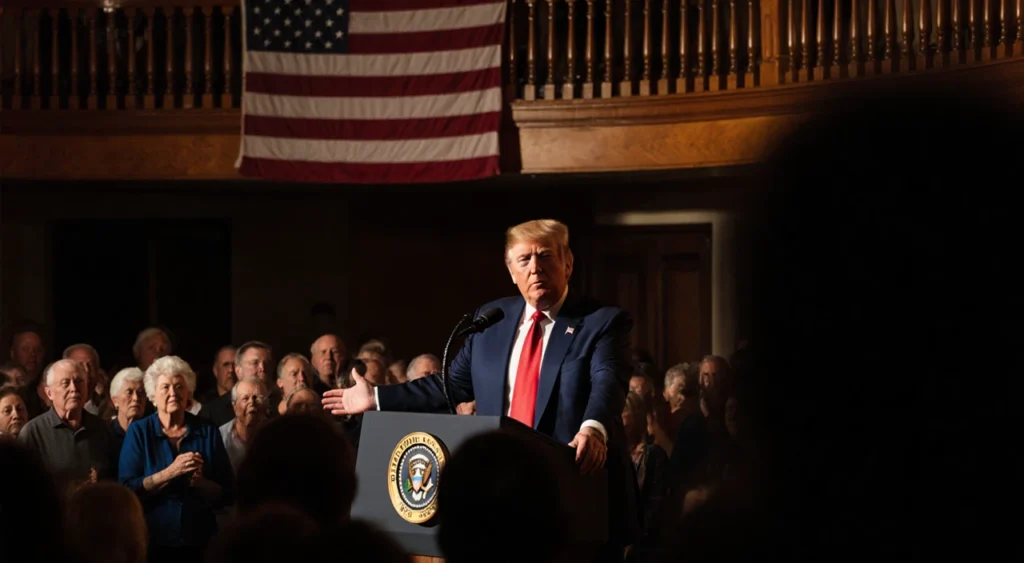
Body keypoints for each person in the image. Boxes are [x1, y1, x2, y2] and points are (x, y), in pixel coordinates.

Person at [324, 218, 638, 558]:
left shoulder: (602, 322)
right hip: (502, 498)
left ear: (568, 263)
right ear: (510, 269)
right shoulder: (493, 319)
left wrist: (594, 428)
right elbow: (452, 385)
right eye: (524, 260)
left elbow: (608, 379)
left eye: (545, 256)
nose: (535, 268)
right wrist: (376, 397)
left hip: (572, 496)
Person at [119, 356, 234, 562]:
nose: (173, 393)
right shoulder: (139, 432)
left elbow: (227, 492)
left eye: (179, 386)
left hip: (200, 541)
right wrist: (171, 472)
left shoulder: (207, 430)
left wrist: (202, 483)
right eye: (165, 387)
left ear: (188, 392)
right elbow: (127, 489)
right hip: (152, 541)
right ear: (153, 396)